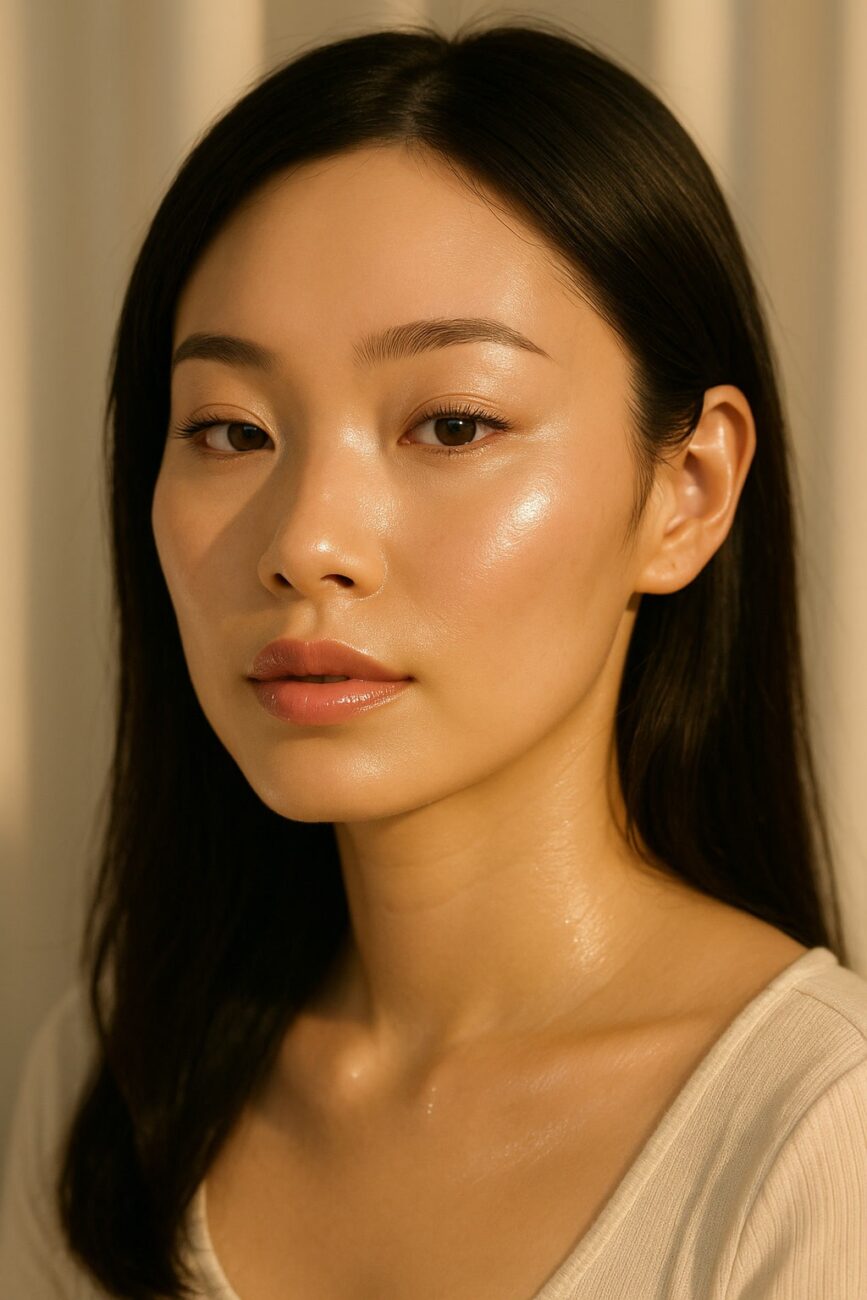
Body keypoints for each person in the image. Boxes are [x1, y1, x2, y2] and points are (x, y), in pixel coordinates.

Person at [1, 15, 865, 1300]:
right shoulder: (117, 1085)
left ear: (685, 491)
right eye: (230, 431)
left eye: (452, 423)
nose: (305, 543)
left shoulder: (817, 1138)